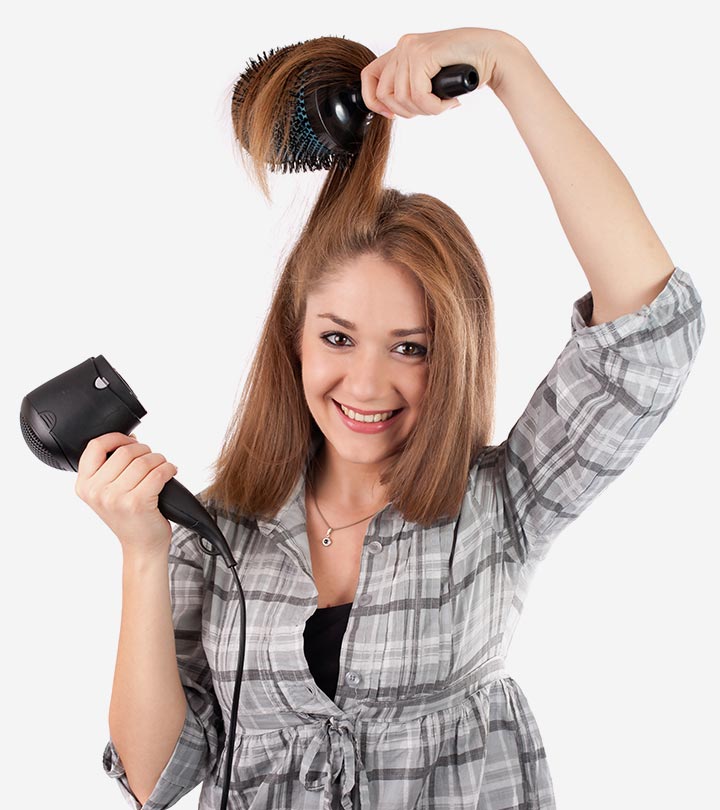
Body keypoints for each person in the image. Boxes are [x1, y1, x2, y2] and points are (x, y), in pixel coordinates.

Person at [76, 27, 705, 810]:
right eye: (338, 338)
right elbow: (155, 777)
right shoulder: (218, 535)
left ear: (453, 358)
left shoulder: (502, 504)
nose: (367, 384)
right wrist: (143, 554)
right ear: (294, 341)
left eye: (410, 347)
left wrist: (508, 65)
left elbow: (648, 339)